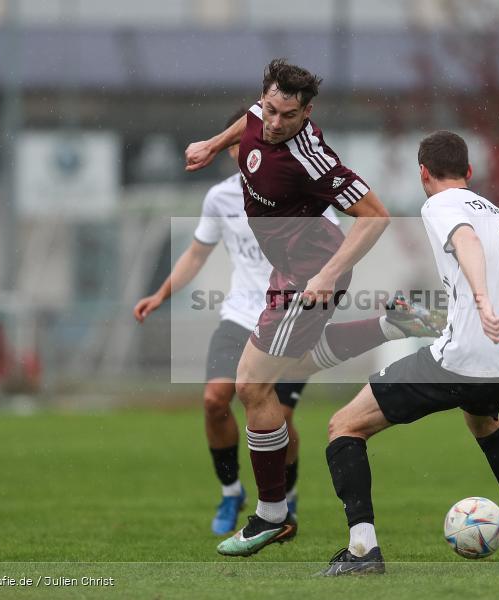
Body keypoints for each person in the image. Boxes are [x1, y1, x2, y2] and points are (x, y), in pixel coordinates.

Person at [184, 59, 441, 557]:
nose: (275, 123)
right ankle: (390, 322)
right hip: (290, 267)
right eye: (271, 110)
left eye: (288, 115)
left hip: (311, 270)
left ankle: (271, 515)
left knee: (251, 386)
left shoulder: (314, 158)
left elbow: (375, 216)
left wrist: (324, 276)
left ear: (308, 111)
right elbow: (251, 118)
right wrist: (213, 145)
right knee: (289, 367)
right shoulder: (264, 114)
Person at [319, 131, 499, 576]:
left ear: (423, 172)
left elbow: (463, 241)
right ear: (469, 172)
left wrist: (481, 302)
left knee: (344, 427)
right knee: (483, 419)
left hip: (467, 355)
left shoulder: (441, 205)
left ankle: (363, 551)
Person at [134, 109, 324, 535]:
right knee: (214, 400)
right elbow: (196, 254)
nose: (247, 151)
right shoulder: (220, 197)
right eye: (239, 144)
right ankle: (231, 491)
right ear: (229, 148)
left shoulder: (302, 192)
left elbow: (332, 248)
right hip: (240, 315)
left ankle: (284, 502)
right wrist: (161, 293)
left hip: (289, 318)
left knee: (282, 419)